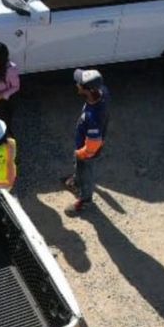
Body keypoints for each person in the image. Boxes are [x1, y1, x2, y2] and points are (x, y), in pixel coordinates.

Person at [63, 68, 109, 216]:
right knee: (80, 168)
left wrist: (81, 153)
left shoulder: (92, 117)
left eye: (79, 83)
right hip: (85, 145)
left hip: (88, 152)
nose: (76, 84)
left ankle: (85, 200)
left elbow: (93, 145)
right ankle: (76, 181)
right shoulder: (103, 92)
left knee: (86, 174)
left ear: (87, 90)